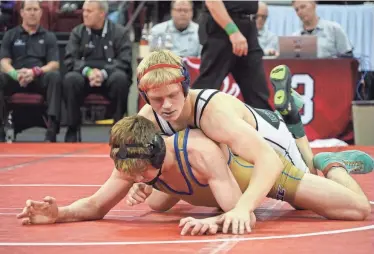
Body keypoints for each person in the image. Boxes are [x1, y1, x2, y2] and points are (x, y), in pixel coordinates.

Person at [16, 115, 373, 236]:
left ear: (156, 155)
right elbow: (96, 205)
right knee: (157, 204)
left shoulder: (199, 152)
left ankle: (329, 164)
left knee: (356, 209)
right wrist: (60, 213)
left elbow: (238, 210)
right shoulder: (134, 159)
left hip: (262, 176)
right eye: (130, 174)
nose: (134, 179)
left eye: (142, 174)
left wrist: (215, 222)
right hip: (195, 185)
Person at [63, 0, 132, 142]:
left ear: (102, 14)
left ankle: (118, 131)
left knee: (121, 79)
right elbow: (70, 60)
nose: (84, 14)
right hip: (84, 77)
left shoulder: (120, 33)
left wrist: (103, 73)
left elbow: (124, 61)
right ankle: (72, 128)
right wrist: (88, 72)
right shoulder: (77, 32)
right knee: (70, 79)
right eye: (84, 11)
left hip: (109, 77)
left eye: (89, 11)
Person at [0, 0, 62, 142]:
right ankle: (0, 130)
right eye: (29, 9)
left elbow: (54, 64)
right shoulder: (10, 35)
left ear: (41, 13)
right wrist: (15, 74)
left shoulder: (49, 37)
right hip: (16, 77)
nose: (32, 13)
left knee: (55, 77)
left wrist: (35, 72)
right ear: (22, 13)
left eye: (35, 9)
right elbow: (4, 62)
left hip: (38, 77)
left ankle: (52, 130)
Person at [192, 0, 271, 110]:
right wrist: (232, 31)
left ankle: (263, 125)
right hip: (222, 27)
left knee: (258, 91)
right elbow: (212, 2)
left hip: (248, 23)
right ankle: (186, 123)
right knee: (207, 87)